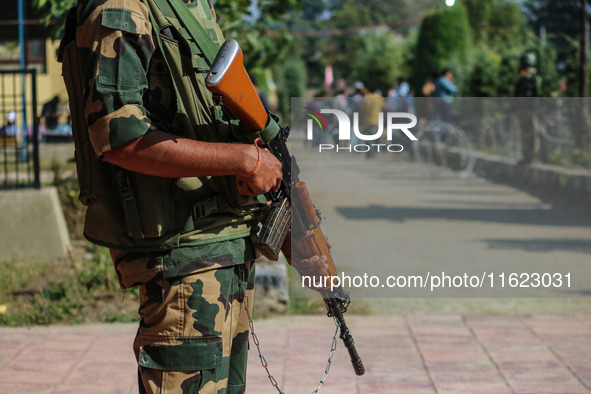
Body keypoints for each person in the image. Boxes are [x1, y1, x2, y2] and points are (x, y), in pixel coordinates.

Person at [62, 1, 327, 393]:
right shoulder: (120, 7)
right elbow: (118, 137)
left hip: (227, 250)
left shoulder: (193, 5)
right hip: (183, 259)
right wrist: (245, 160)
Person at [514, 52, 540, 165]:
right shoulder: (523, 77)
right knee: (525, 133)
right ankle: (527, 156)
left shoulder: (533, 77)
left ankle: (532, 157)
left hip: (530, 110)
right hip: (523, 110)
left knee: (532, 133)